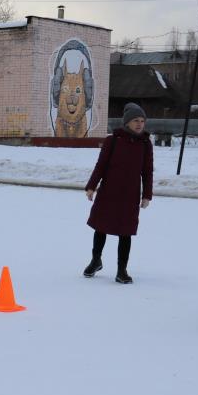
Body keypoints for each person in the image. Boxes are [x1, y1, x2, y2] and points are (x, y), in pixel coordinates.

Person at [82, 102, 153, 284]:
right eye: (136, 120)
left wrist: (147, 195)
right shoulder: (112, 141)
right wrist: (91, 186)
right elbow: (101, 166)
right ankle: (95, 260)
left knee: (126, 232)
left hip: (130, 196)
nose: (140, 124)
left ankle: (122, 270)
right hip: (108, 192)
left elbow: (147, 171)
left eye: (142, 121)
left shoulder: (145, 144)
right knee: (101, 227)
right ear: (127, 122)